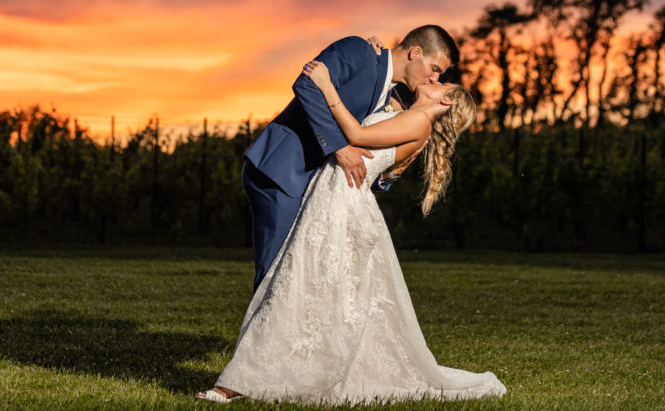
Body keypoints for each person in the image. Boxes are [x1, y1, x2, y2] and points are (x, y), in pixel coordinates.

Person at [197, 60, 507, 404]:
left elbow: (357, 136)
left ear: (446, 100)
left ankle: (244, 381)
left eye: (441, 83)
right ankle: (264, 374)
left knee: (304, 288)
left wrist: (326, 85)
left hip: (341, 204)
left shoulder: (418, 121)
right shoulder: (406, 113)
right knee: (305, 287)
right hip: (331, 198)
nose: (434, 79)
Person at [240, 25, 459, 291]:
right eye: (435, 68)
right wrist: (339, 147)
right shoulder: (359, 50)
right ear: (415, 52)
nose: (435, 78)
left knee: (297, 274)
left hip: (317, 190)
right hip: (284, 170)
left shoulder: (392, 96)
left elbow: (369, 152)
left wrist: (390, 173)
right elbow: (307, 83)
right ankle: (262, 334)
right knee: (275, 273)